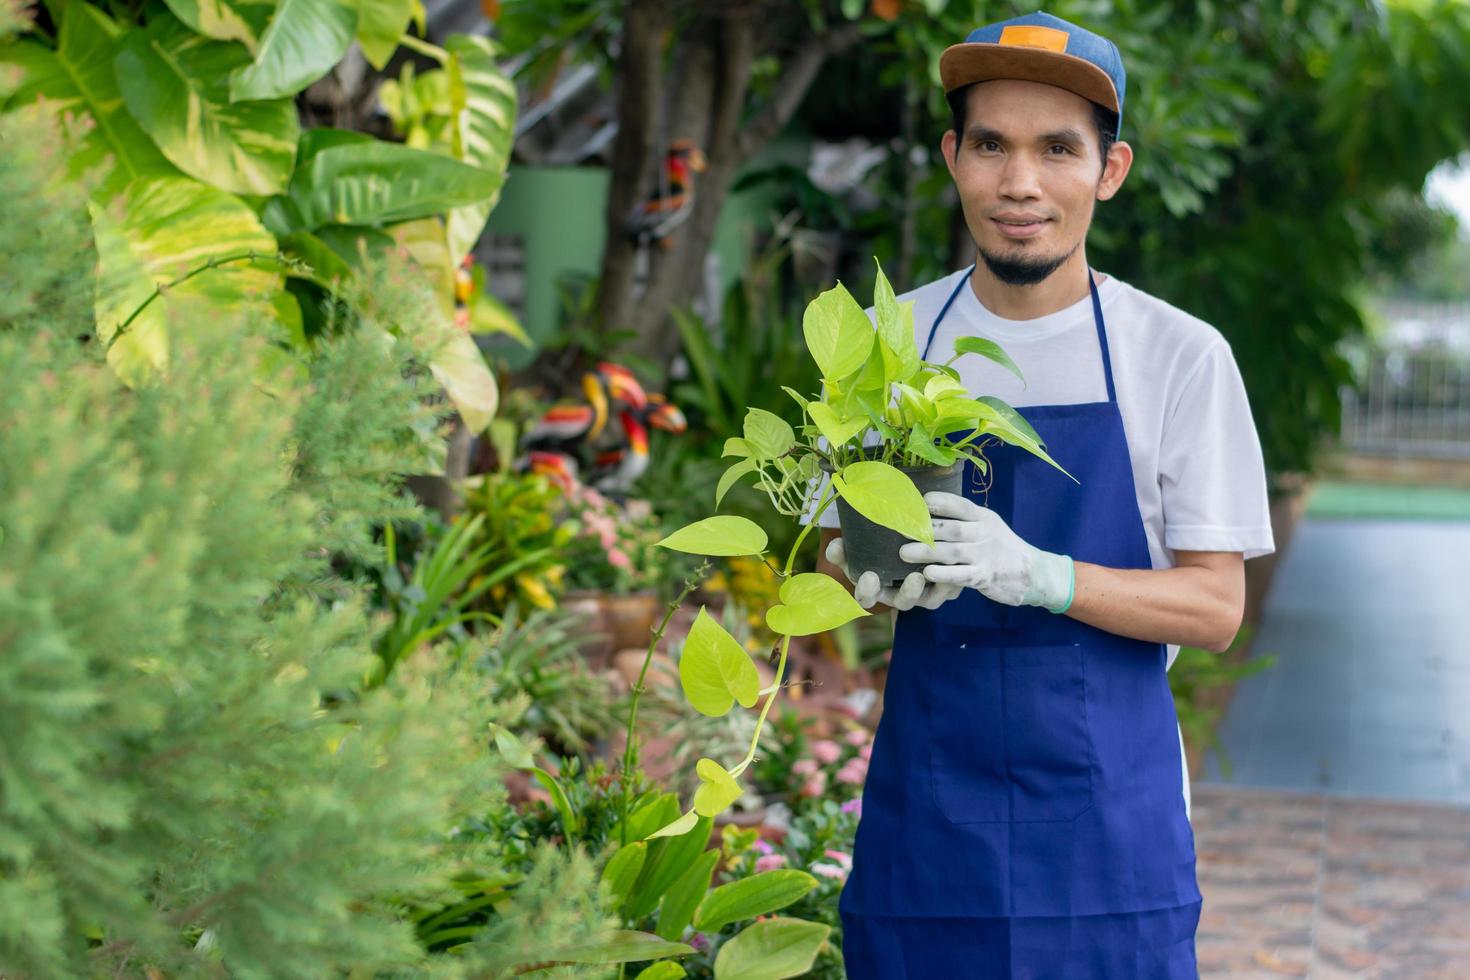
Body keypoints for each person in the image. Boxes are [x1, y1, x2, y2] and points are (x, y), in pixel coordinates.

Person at [799, 11, 1276, 977]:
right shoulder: (885, 342)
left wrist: (1043, 574)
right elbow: (826, 554)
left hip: (1110, 840)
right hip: (928, 834)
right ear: (952, 157)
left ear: (1111, 169)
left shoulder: (1178, 357)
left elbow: (1216, 608)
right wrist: (862, 571)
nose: (1020, 183)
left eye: (1058, 148)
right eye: (992, 146)